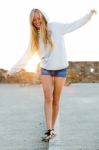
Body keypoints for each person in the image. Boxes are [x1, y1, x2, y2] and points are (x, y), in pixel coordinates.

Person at [4, 8, 96, 142]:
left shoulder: (56, 27)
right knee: (48, 99)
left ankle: (52, 127)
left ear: (43, 17)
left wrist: (89, 15)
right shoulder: (35, 38)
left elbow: (75, 24)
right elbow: (26, 56)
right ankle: (50, 130)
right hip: (46, 70)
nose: (36, 21)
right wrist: (11, 70)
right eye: (34, 20)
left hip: (61, 69)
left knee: (56, 100)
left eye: (38, 18)